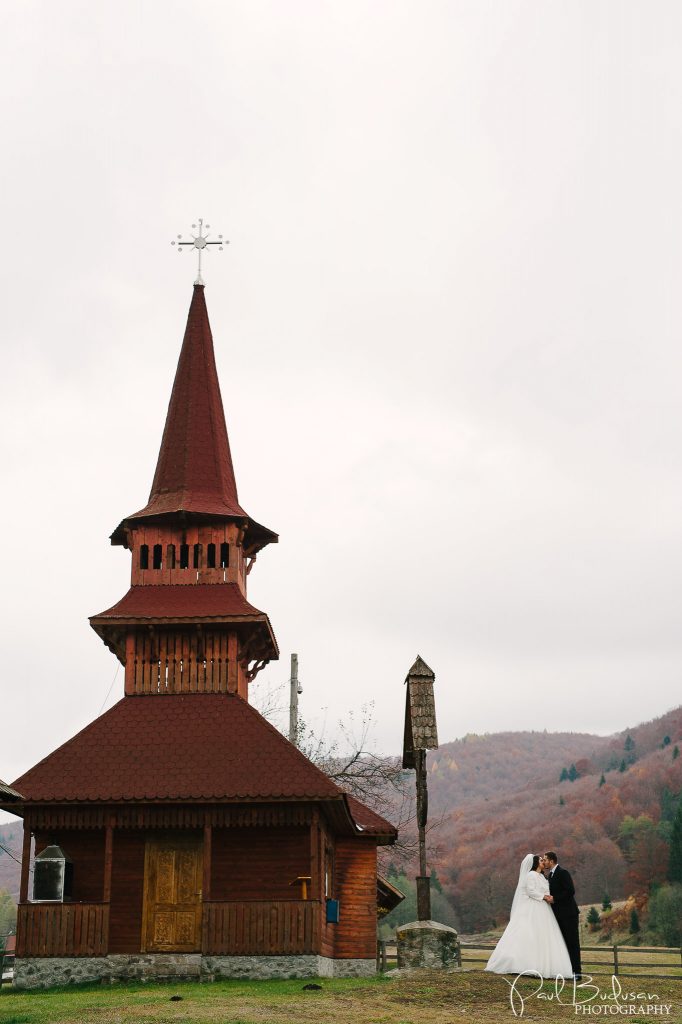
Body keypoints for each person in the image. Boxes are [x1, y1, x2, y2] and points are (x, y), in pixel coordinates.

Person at [485, 854, 572, 977]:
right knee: (529, 933)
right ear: (536, 863)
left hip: (544, 907)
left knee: (542, 935)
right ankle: (522, 963)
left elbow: (545, 889)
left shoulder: (542, 876)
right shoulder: (531, 875)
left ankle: (543, 965)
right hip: (534, 906)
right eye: (541, 860)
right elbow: (531, 891)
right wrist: (543, 896)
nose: (543, 862)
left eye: (544, 860)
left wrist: (548, 896)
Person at [544, 850, 581, 978]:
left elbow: (570, 891)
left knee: (572, 943)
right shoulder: (550, 875)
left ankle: (577, 972)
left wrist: (554, 898)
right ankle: (568, 970)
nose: (544, 862)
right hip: (558, 915)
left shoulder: (563, 873)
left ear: (552, 860)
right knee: (563, 943)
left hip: (569, 914)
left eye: (545, 859)